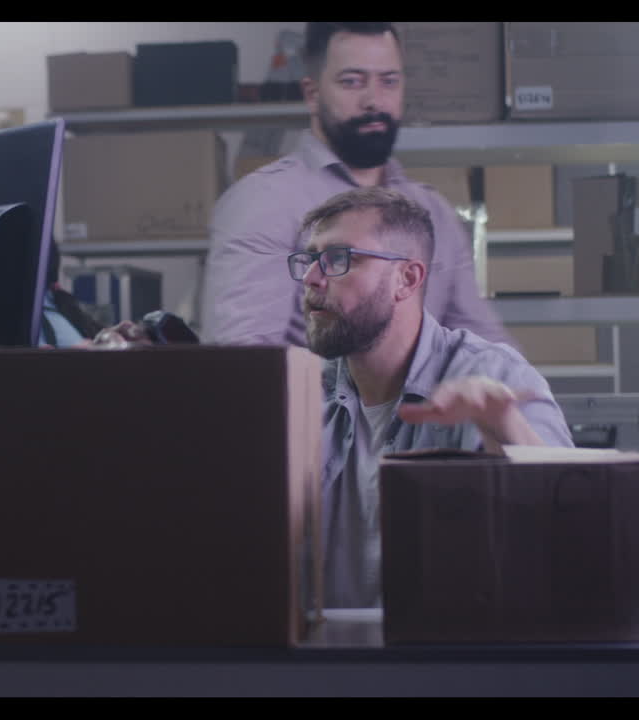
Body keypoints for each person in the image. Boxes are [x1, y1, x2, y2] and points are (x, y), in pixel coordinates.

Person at [291, 186, 572, 609]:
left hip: (452, 665)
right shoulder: (303, 397)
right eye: (311, 259)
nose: (313, 277)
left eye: (338, 259)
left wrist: (507, 431)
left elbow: (574, 530)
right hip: (328, 662)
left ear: (407, 279)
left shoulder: (493, 377)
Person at [202, 22, 514, 349]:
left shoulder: (434, 212)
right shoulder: (264, 203)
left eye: (388, 81)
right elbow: (244, 365)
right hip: (309, 401)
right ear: (312, 94)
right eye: (352, 81)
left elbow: (488, 352)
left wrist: (513, 394)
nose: (373, 101)